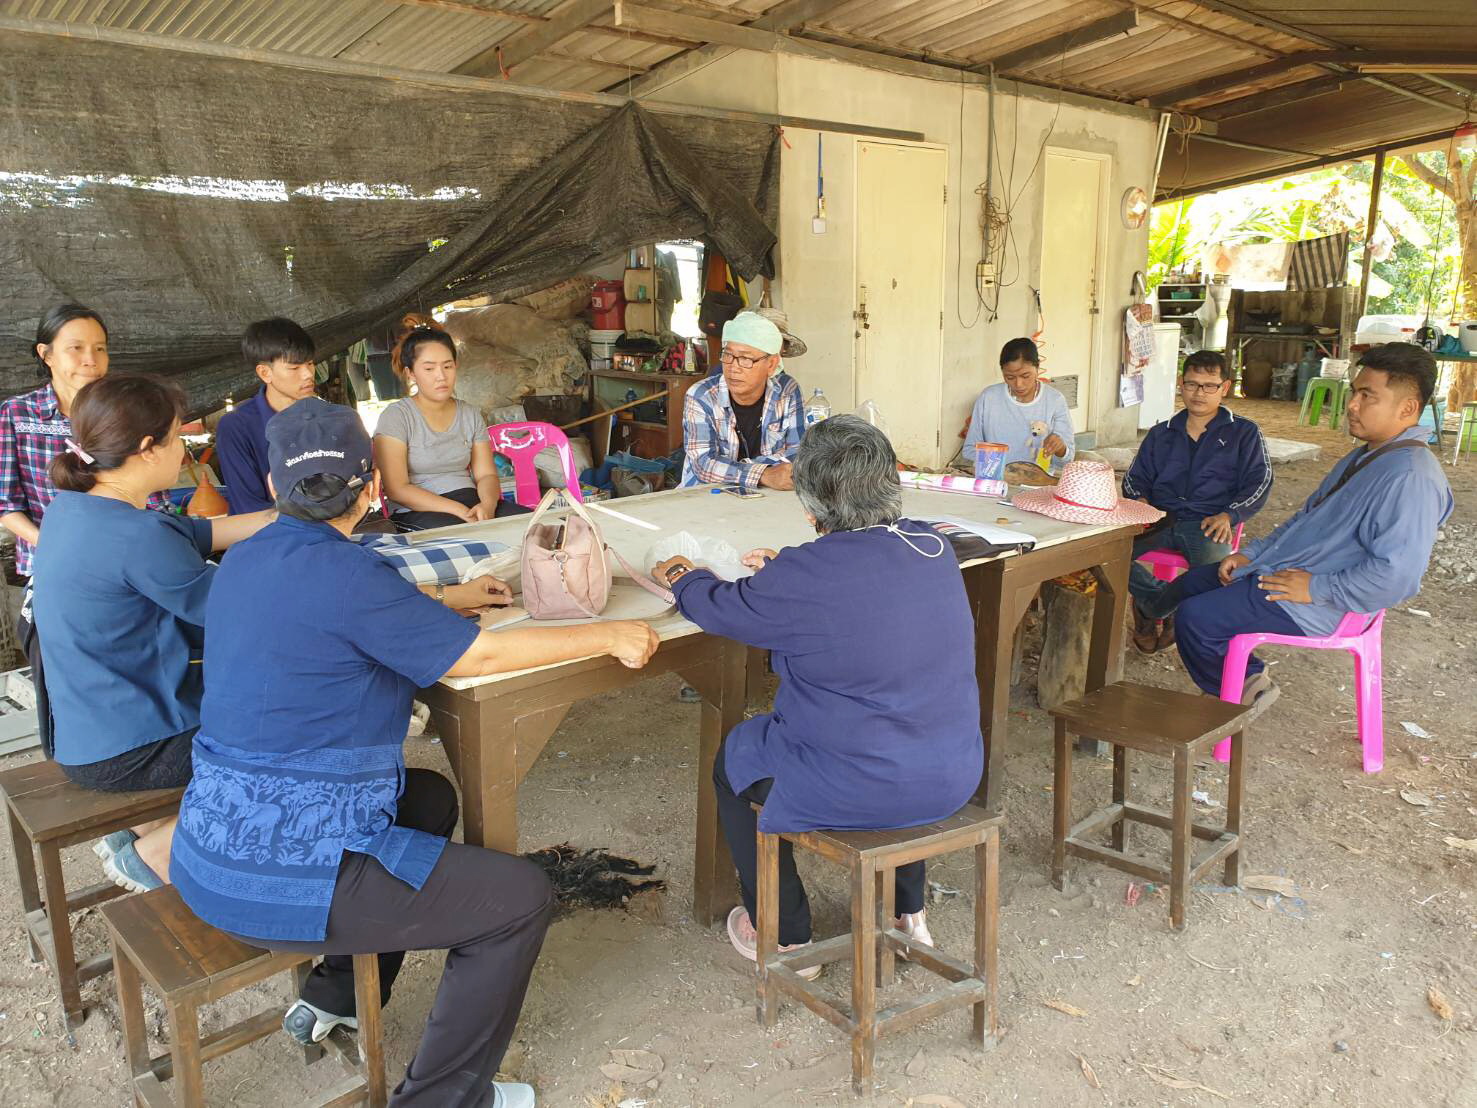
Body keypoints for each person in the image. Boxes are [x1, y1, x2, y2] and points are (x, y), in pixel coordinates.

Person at [170, 398, 659, 1108]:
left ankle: (336, 992)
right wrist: (609, 636)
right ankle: (442, 1100)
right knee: (519, 898)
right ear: (371, 488)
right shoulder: (350, 576)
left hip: (209, 842)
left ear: (273, 491)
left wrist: (439, 598)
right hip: (279, 876)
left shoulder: (243, 561)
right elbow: (483, 652)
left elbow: (346, 617)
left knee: (426, 800)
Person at [655, 415, 984, 969]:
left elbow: (721, 607)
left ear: (810, 507)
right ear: (891, 481)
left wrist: (684, 575)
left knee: (734, 758)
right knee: (904, 724)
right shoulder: (933, 546)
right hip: (951, 772)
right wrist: (790, 572)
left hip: (860, 781)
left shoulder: (804, 575)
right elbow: (862, 583)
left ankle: (786, 936)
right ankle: (908, 913)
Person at [30, 375, 274, 892]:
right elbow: (244, 612)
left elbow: (198, 531)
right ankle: (155, 853)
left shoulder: (75, 508)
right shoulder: (133, 536)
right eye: (176, 437)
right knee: (294, 730)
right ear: (147, 449)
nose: (183, 448)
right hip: (129, 751)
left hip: (83, 732)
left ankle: (136, 830)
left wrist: (283, 517)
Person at [1172, 344, 1453, 707]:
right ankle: (1238, 677)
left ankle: (1243, 686)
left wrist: (1316, 588)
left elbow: (1397, 577)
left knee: (1197, 618)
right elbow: (1305, 519)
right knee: (1193, 584)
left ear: (1408, 408)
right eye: (1355, 392)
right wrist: (1252, 554)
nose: (1352, 405)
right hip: (1293, 573)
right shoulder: (1368, 455)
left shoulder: (1410, 476)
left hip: (1323, 599)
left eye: (1368, 396)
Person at [0, 304, 171, 576]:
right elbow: (6, 504)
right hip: (54, 566)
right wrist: (55, 546)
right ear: (46, 354)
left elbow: (155, 499)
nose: (91, 359)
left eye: (100, 348)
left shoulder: (127, 412)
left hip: (126, 561)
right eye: (76, 348)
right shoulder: (17, 415)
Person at [1122, 350, 1272, 654]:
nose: (1199, 393)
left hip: (1208, 523)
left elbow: (1260, 481)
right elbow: (1134, 478)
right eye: (1191, 384)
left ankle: (1151, 608)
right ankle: (1159, 601)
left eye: (1209, 386)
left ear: (1225, 388)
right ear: (1181, 384)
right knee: (1101, 554)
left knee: (1220, 574)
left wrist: (1230, 515)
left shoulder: (1244, 433)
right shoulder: (1161, 433)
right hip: (1158, 519)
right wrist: (1140, 502)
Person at [373, 325, 522, 529]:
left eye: (447, 366)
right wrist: (458, 511)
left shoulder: (469, 413)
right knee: (469, 539)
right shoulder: (397, 416)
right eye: (429, 368)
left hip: (471, 500)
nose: (441, 376)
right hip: (417, 510)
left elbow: (486, 475)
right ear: (411, 373)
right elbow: (397, 488)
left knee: (538, 528)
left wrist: (487, 505)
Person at [680, 311, 803, 491]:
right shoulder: (701, 395)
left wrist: (734, 469)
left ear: (771, 364)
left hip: (766, 496)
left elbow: (797, 453)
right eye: (728, 355)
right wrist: (764, 474)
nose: (733, 368)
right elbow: (703, 464)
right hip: (705, 496)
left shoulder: (788, 390)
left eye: (745, 358)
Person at [214, 317, 317, 514]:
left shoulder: (328, 417)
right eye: (294, 368)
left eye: (311, 364)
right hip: (265, 537)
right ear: (264, 373)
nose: (308, 374)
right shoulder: (236, 426)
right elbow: (249, 507)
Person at [962, 337, 1075, 478]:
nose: (1018, 384)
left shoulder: (1054, 400)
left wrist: (1060, 449)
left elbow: (1067, 459)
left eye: (1025, 376)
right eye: (1009, 377)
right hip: (994, 479)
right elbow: (969, 449)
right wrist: (999, 466)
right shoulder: (989, 397)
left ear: (1037, 368)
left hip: (1038, 484)